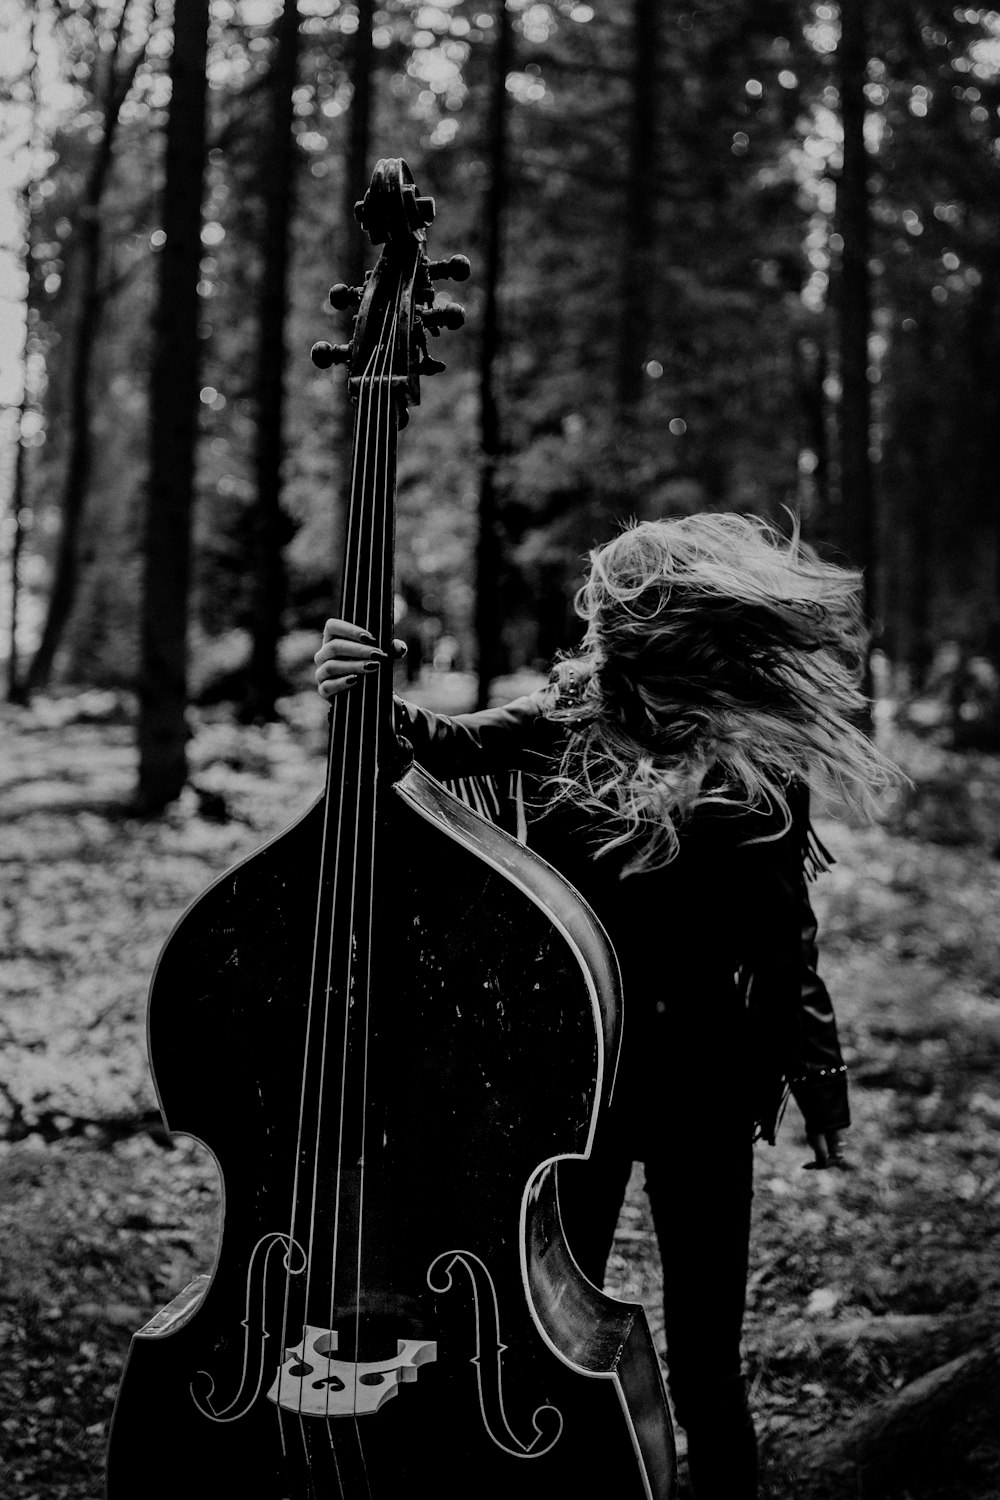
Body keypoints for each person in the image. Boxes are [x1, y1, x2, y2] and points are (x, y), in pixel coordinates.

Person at [313, 512, 892, 1500]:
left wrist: (823, 1089)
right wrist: (358, 689)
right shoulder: (561, 721)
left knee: (707, 1356)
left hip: (707, 1088)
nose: (599, 623)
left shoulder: (759, 768)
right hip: (574, 1083)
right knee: (553, 1321)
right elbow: (431, 748)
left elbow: (785, 945)